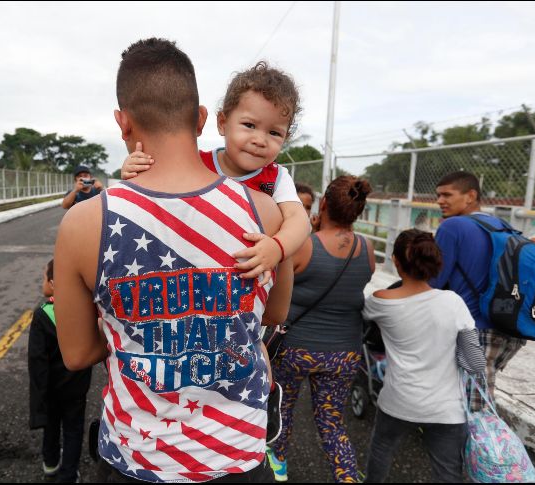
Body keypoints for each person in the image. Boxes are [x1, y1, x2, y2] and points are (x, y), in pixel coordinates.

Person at [54, 38, 293, 483]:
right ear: (203, 118)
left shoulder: (85, 222)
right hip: (237, 456)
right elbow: (275, 313)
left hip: (137, 458)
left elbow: (77, 353)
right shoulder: (265, 211)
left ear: (123, 124)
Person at [121, 61, 311, 285]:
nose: (260, 140)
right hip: (192, 271)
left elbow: (300, 221)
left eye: (274, 133)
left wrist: (277, 248)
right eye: (249, 125)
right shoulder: (197, 163)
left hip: (246, 277)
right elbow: (159, 184)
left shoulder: (277, 178)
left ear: (285, 138)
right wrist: (133, 167)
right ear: (222, 123)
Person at [268, 175, 375, 483]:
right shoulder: (366, 248)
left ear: (324, 204)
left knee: (282, 411)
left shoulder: (302, 245)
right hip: (344, 352)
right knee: (332, 422)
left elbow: (278, 290)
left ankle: (279, 469)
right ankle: (348, 478)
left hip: (296, 349)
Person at [361, 229, 486, 482]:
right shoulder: (453, 302)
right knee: (448, 472)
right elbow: (475, 363)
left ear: (396, 261)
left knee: (382, 450)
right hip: (446, 408)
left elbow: (363, 321)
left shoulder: (381, 301)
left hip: (398, 400)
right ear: (435, 262)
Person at [429, 171, 526, 401]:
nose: (439, 201)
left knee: (475, 415)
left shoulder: (452, 226)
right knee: (472, 404)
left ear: (470, 195)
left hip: (474, 330)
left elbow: (433, 281)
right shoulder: (500, 225)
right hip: (509, 327)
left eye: (446, 195)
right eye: (438, 195)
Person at [28, 259, 92, 483]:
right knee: (74, 429)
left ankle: (50, 464)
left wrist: (37, 401)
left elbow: (37, 360)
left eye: (45, 277)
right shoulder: (87, 311)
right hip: (76, 387)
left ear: (54, 284)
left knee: (51, 425)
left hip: (51, 389)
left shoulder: (42, 315)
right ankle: (68, 474)